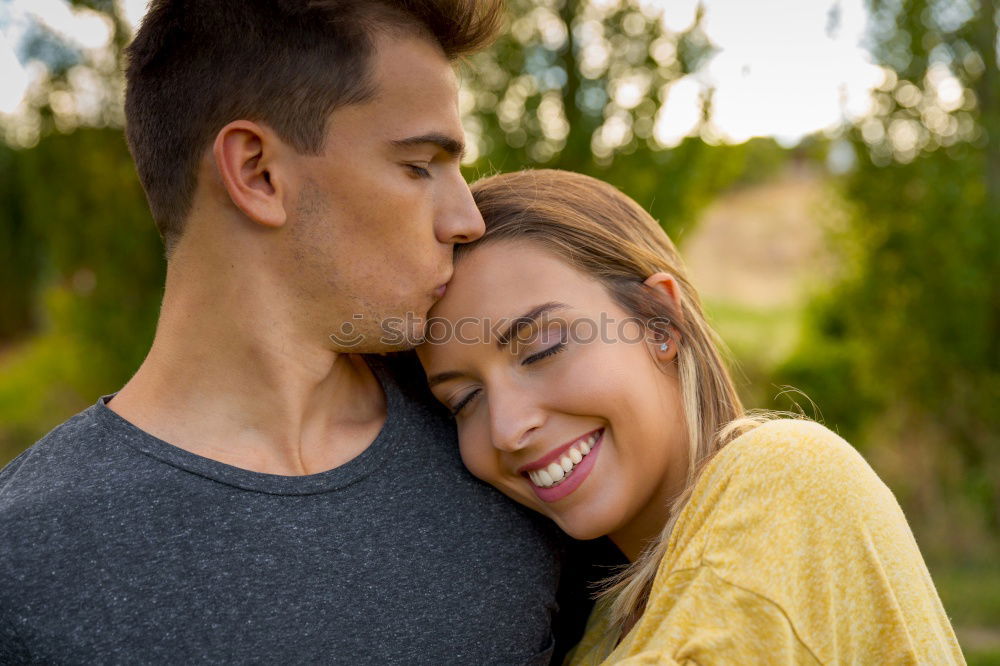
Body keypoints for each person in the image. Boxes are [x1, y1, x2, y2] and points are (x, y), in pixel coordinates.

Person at [0, 2, 573, 663]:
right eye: (420, 166)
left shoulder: (512, 444)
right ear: (258, 173)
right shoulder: (24, 568)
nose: (466, 218)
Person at [416, 169, 966, 665]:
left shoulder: (789, 473)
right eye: (465, 401)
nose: (507, 428)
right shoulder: (600, 630)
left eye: (543, 348)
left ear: (660, 322)